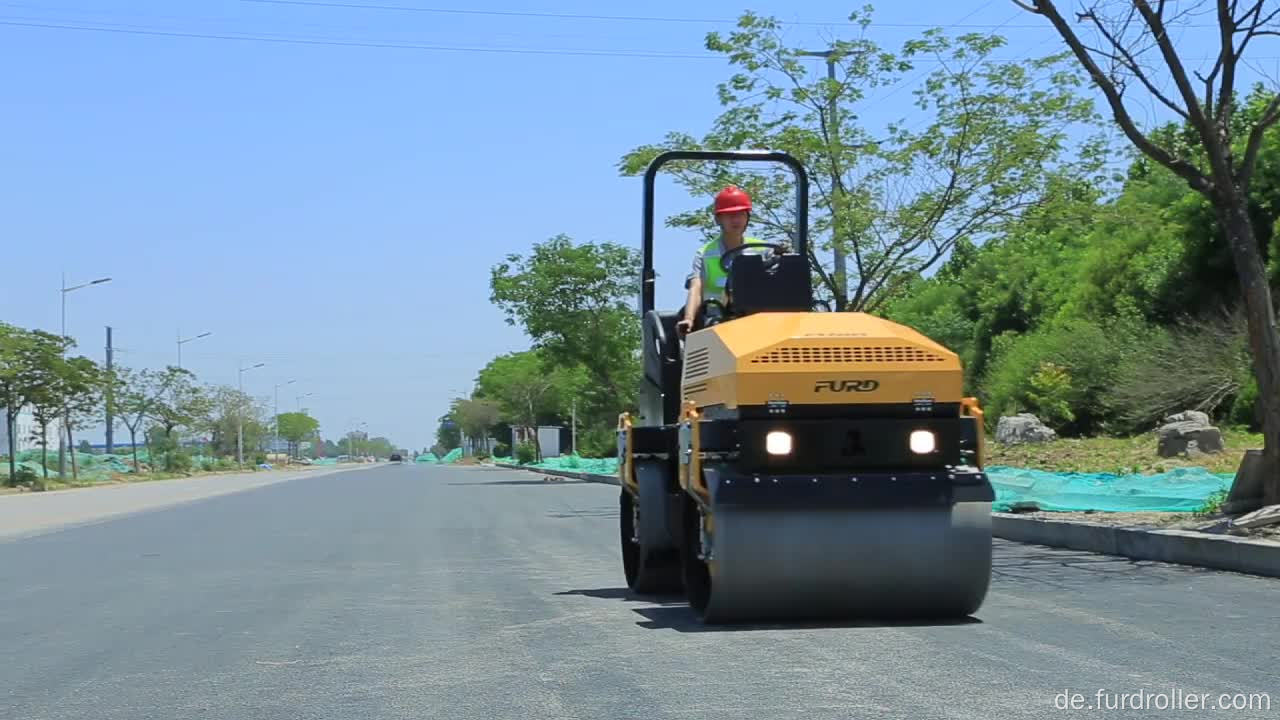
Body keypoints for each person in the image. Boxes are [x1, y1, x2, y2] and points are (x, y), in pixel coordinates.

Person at [676, 185, 771, 335]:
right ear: (718, 219)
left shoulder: (763, 250)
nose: (736, 219)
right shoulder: (705, 254)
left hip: (755, 318)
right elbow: (696, 288)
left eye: (740, 214)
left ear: (747, 217)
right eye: (729, 215)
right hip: (715, 318)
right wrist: (689, 319)